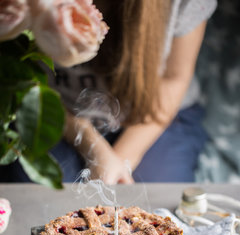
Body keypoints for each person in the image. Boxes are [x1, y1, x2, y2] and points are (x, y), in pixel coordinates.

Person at [1, 0, 218, 184]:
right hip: (58, 112)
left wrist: (122, 160)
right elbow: (24, 81)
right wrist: (90, 142)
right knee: (42, 198)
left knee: (152, 202)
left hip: (157, 117)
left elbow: (174, 79)